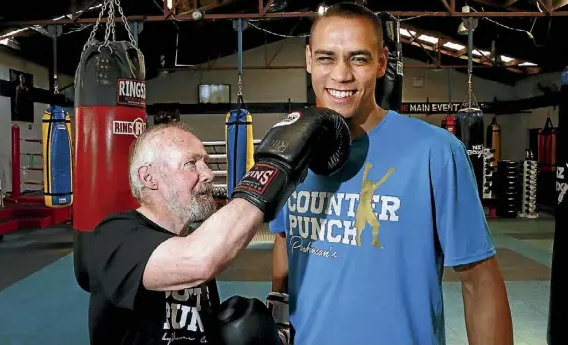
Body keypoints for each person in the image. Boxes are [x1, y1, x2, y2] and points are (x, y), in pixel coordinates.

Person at [269, 3, 514, 345]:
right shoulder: (287, 147)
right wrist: (277, 318)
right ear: (309, 60)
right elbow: (284, 238)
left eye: (358, 58)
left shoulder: (436, 152)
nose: (341, 75)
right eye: (326, 57)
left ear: (382, 62)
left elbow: (480, 283)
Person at [87, 107, 351, 345]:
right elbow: (198, 259)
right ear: (149, 177)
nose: (209, 174)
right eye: (191, 163)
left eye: (207, 162)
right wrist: (275, 165)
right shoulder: (114, 236)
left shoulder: (194, 239)